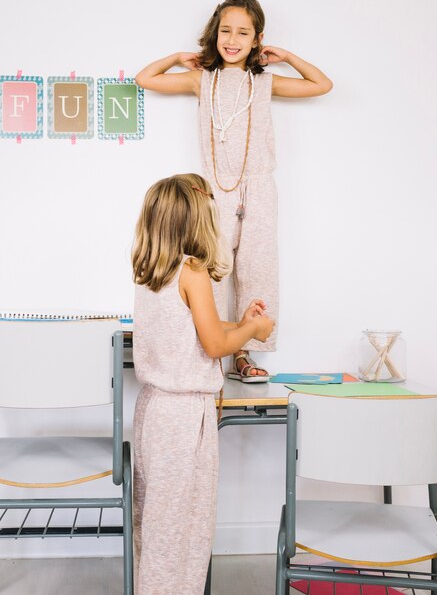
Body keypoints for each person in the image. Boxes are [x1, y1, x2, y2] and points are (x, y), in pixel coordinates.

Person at [135, 0, 332, 382]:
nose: (233, 39)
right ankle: (214, 346)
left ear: (257, 39)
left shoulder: (264, 82)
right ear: (214, 33)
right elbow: (145, 79)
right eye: (226, 30)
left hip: (258, 186)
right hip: (214, 189)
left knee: (258, 269)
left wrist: (288, 57)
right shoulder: (201, 79)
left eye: (243, 33)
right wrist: (177, 57)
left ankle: (245, 354)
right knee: (215, 270)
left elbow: (322, 84)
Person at [131, 173, 274, 594]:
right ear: (199, 219)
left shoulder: (150, 273)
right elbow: (214, 344)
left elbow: (197, 331)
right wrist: (254, 332)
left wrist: (244, 324)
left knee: (156, 525)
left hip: (153, 410)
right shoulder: (192, 271)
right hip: (183, 418)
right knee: (184, 529)